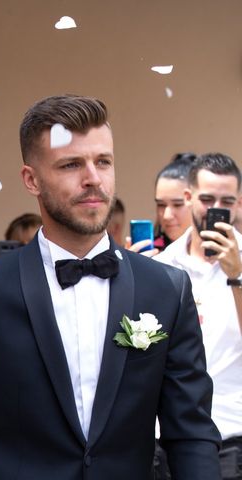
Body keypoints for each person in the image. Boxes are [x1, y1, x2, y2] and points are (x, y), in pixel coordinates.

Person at [0, 94, 221, 479]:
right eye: (71, 165)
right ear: (31, 180)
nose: (93, 178)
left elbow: (191, 433)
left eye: (103, 161)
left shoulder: (166, 289)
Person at [155, 152, 242, 479]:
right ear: (189, 198)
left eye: (226, 200)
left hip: (231, 434)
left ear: (239, 204)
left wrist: (237, 276)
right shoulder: (163, 265)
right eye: (207, 198)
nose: (215, 208)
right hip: (166, 437)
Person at [153, 153, 197, 251]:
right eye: (161, 205)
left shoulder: (222, 253)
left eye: (177, 205)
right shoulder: (151, 253)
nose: (166, 216)